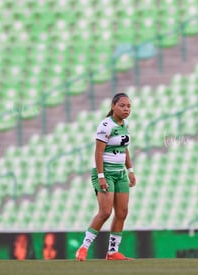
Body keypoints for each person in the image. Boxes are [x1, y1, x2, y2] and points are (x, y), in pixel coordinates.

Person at [75, 93, 136, 261]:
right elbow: (99, 152)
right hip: (106, 173)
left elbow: (125, 149)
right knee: (105, 212)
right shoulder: (105, 125)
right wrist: (101, 176)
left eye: (129, 106)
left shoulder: (125, 124)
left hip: (120, 173)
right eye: (122, 105)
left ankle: (112, 252)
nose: (126, 109)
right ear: (113, 106)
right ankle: (83, 248)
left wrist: (130, 170)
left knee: (122, 212)